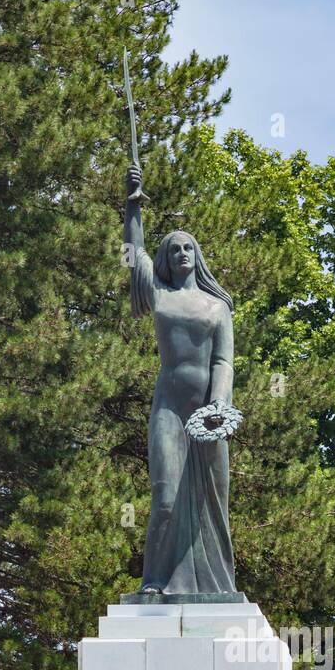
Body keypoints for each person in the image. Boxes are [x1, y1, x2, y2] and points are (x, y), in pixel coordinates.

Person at [124, 164, 238, 595]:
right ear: (168, 261)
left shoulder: (217, 306)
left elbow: (223, 362)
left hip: (209, 414)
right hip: (169, 409)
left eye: (187, 247)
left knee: (215, 504)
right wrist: (132, 206)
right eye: (173, 250)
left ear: (197, 255)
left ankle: (217, 587)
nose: (181, 254)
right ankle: (154, 582)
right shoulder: (161, 296)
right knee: (166, 498)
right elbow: (135, 258)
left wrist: (219, 406)